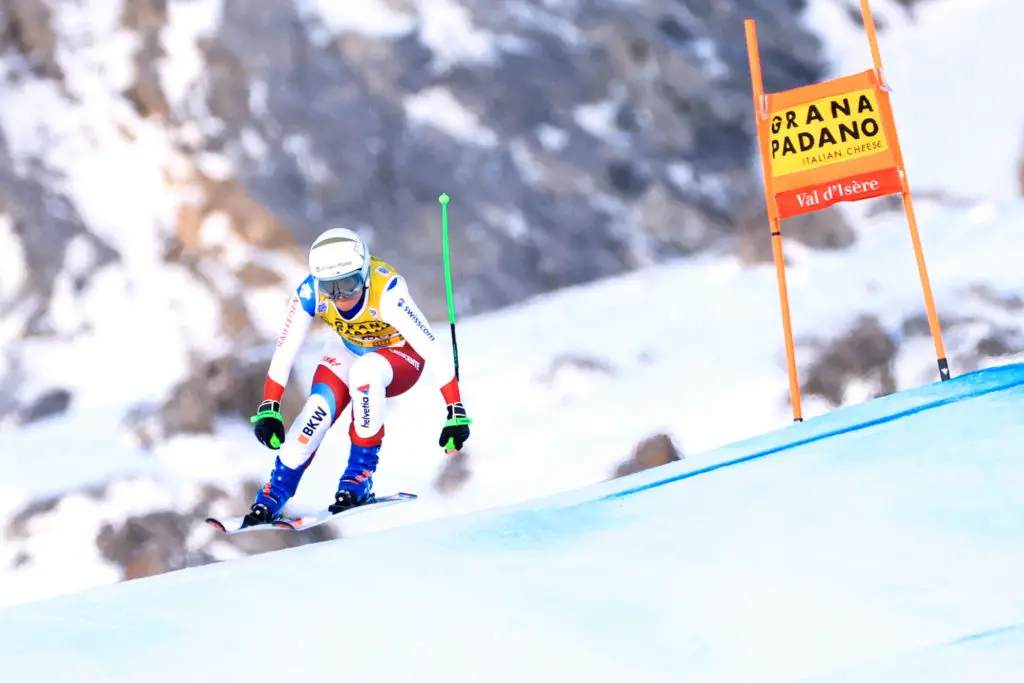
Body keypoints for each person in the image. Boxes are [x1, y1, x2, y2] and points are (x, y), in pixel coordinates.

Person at [244, 227, 471, 525]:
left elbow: (431, 349)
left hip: (400, 357)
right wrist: (270, 406)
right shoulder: (309, 293)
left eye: (349, 286)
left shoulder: (387, 291)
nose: (340, 297)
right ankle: (274, 493)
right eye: (330, 288)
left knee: (367, 371)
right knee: (316, 411)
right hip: (350, 349)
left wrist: (455, 411)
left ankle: (358, 477)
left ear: (364, 275)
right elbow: (285, 351)